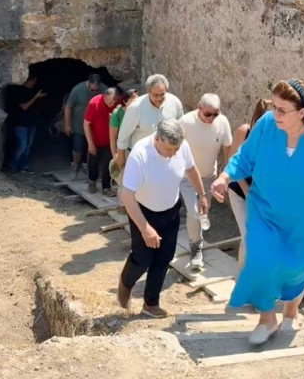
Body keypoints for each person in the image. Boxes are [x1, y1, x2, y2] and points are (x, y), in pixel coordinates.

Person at [210, 79, 304, 345]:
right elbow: (245, 157)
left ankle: (291, 311)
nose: (274, 113)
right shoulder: (266, 124)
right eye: (273, 106)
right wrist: (225, 176)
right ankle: (267, 319)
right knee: (262, 260)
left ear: (302, 112)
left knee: (298, 268)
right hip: (265, 212)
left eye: (281, 109)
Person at [117, 119, 209, 318]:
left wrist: (201, 195)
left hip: (171, 210)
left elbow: (191, 169)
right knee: (143, 259)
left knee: (164, 258)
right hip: (143, 212)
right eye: (169, 149)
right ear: (157, 138)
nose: (173, 153)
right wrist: (145, 228)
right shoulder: (140, 154)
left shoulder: (180, 147)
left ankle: (151, 303)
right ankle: (125, 282)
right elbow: (127, 196)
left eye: (176, 149)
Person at [178, 93, 232, 270]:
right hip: (186, 177)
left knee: (203, 212)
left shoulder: (222, 122)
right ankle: (196, 248)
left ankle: (196, 241)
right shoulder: (185, 122)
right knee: (194, 212)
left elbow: (227, 149)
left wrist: (225, 175)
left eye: (215, 114)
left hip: (208, 176)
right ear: (199, 108)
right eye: (207, 114)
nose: (211, 118)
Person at [224, 98, 273, 271]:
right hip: (240, 190)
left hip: (262, 194)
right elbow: (232, 163)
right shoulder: (244, 132)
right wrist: (247, 191)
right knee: (248, 235)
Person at [115, 74, 183, 170]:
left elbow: (180, 129)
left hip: (166, 158)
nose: (159, 98)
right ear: (148, 92)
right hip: (141, 158)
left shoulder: (175, 103)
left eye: (162, 94)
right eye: (156, 95)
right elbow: (123, 136)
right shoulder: (135, 108)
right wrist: (121, 158)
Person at [64, 74, 103, 179]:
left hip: (95, 127)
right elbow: (68, 107)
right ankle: (75, 166)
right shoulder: (77, 90)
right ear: (88, 83)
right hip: (78, 124)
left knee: (93, 148)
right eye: (92, 89)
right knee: (78, 146)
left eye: (96, 90)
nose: (94, 92)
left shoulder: (104, 89)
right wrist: (67, 124)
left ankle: (88, 167)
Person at [83, 87, 121, 195]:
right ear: (104, 97)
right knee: (93, 161)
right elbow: (86, 124)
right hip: (95, 139)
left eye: (114, 102)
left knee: (108, 164)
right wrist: (90, 143)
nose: (111, 105)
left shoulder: (117, 103)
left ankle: (106, 187)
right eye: (109, 102)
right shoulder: (94, 103)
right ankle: (92, 182)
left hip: (110, 140)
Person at [8, 75, 46, 173]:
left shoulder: (32, 91)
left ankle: (24, 166)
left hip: (31, 123)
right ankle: (13, 166)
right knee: (22, 146)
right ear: (29, 80)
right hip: (20, 123)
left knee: (28, 145)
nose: (34, 83)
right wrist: (36, 97)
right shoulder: (19, 91)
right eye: (34, 81)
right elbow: (24, 107)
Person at [109, 89, 140, 187]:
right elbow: (113, 137)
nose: (136, 103)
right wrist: (115, 155)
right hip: (123, 150)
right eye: (133, 100)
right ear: (125, 101)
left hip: (136, 149)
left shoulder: (139, 112)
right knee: (123, 180)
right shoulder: (118, 114)